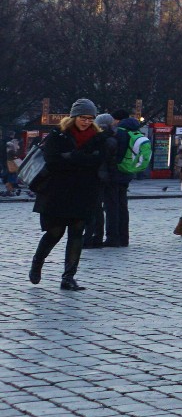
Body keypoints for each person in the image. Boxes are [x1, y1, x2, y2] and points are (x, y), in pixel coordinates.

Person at [30, 100, 117, 289]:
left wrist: (72, 157)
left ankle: (68, 278)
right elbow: (53, 162)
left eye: (90, 118)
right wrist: (81, 160)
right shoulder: (58, 135)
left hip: (84, 192)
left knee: (77, 233)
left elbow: (99, 160)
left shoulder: (99, 138)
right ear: (73, 116)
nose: (86, 121)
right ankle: (38, 262)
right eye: (83, 117)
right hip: (57, 192)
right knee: (55, 232)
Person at [102, 115, 147, 248]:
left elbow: (114, 154)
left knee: (111, 207)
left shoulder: (119, 133)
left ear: (118, 120)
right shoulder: (135, 131)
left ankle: (112, 238)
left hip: (115, 173)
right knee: (123, 207)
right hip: (127, 173)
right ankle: (124, 238)